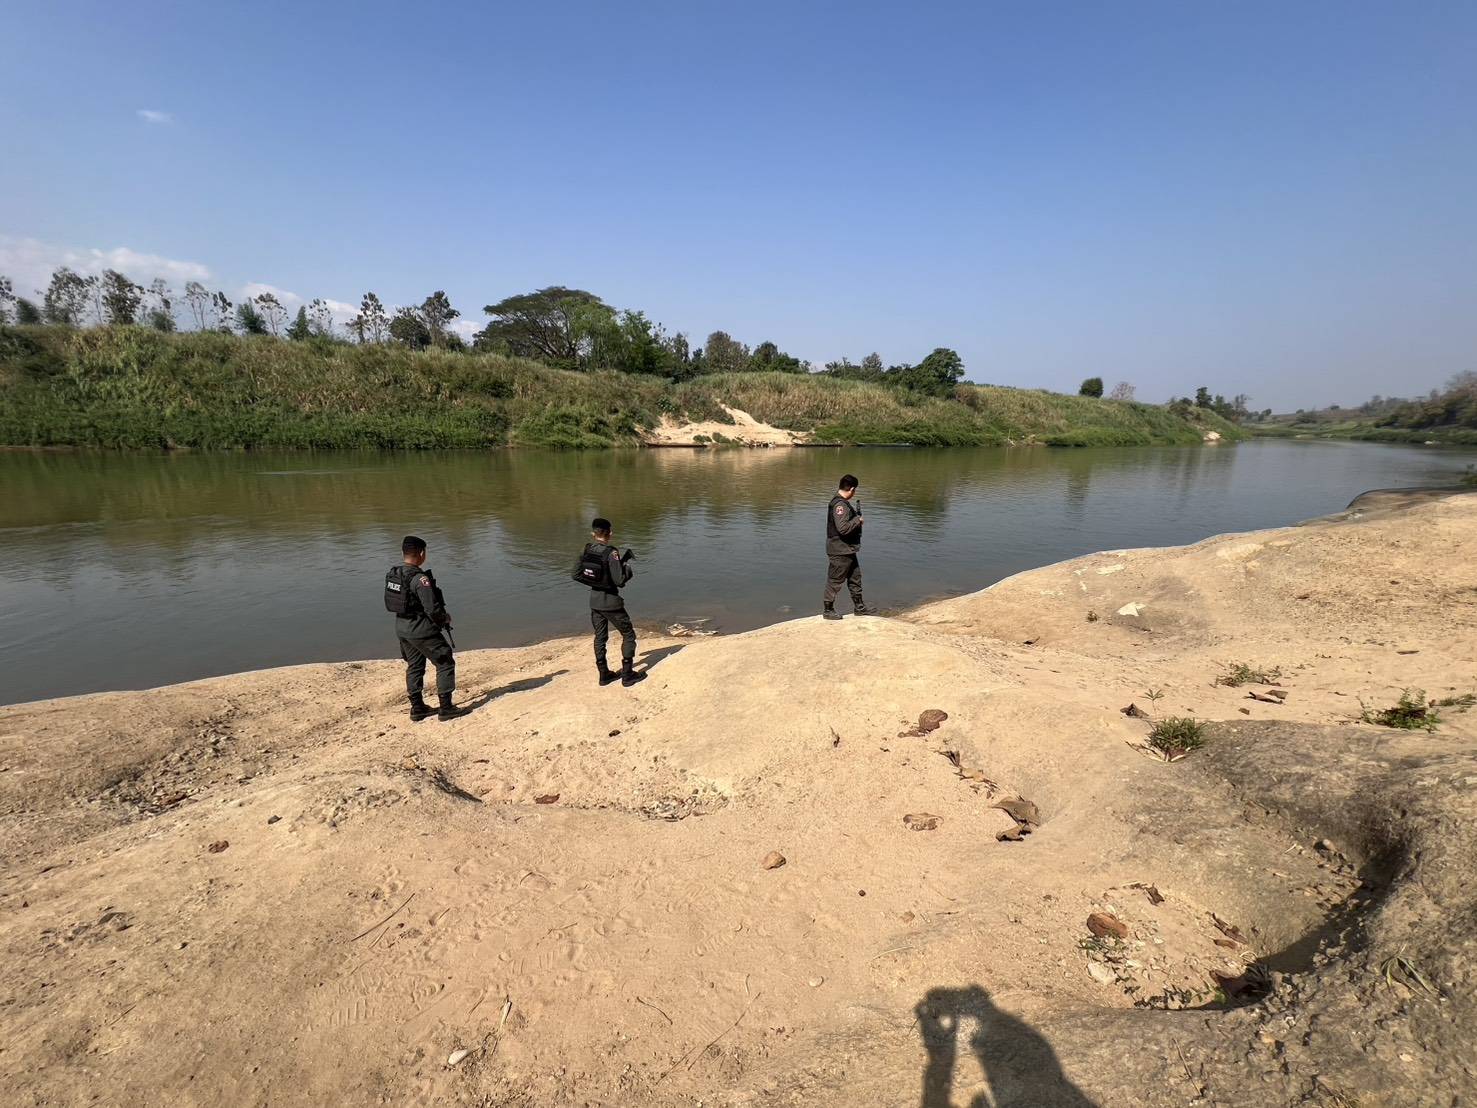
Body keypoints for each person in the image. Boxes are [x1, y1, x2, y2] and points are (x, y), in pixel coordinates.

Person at [384, 536, 472, 721]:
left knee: (414, 666)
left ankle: (417, 708)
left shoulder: (395, 574)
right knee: (445, 661)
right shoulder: (420, 579)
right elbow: (432, 609)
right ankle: (446, 708)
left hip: (402, 628)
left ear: (403, 552)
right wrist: (444, 619)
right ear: (422, 553)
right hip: (421, 629)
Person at [573, 517, 646, 687]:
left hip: (594, 602)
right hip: (611, 602)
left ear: (593, 534)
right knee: (628, 634)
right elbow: (619, 581)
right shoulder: (612, 553)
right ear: (610, 533)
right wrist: (627, 570)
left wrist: (596, 583)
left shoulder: (586, 549)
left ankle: (604, 675)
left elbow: (575, 575)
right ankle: (627, 675)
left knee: (600, 637)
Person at [824, 473, 875, 619]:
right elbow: (843, 528)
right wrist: (858, 520)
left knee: (855, 578)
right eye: (855, 490)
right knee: (835, 580)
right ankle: (828, 610)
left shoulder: (841, 502)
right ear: (852, 489)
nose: (854, 493)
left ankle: (860, 607)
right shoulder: (839, 505)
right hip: (839, 550)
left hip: (848, 549)